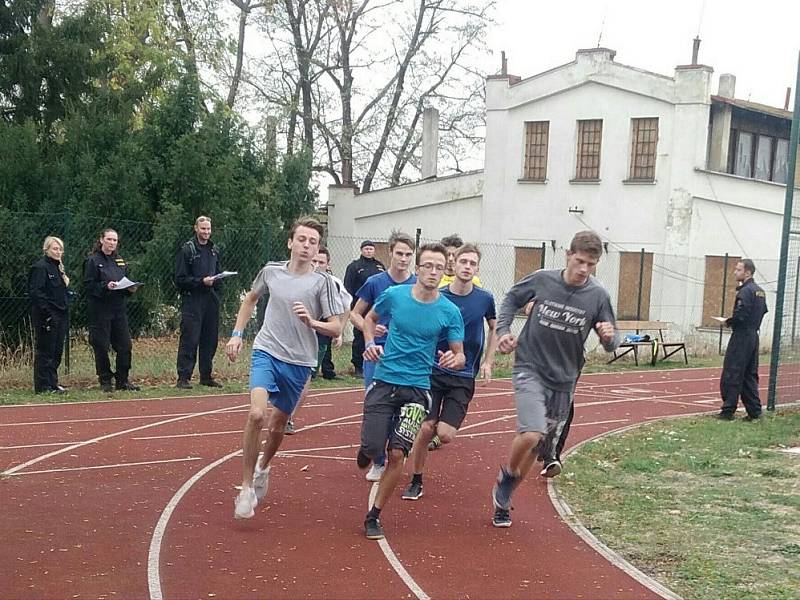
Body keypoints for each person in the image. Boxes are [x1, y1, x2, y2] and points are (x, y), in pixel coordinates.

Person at [490, 231, 619, 528]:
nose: (583, 269)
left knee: (537, 448)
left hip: (564, 379)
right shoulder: (542, 279)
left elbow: (612, 340)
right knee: (532, 433)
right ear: (567, 255)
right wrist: (504, 332)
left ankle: (505, 496)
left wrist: (609, 337)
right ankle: (506, 477)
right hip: (530, 367)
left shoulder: (598, 295)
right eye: (579, 260)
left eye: (590, 263)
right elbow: (510, 299)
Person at [225, 217, 344, 520]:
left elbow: (335, 327)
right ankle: (246, 486)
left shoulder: (324, 283)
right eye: (301, 239)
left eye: (313, 242)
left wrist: (312, 322)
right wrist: (237, 335)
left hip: (300, 361)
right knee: (256, 414)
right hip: (267, 350)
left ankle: (264, 467)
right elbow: (250, 300)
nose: (306, 246)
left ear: (318, 248)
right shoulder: (271, 271)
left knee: (278, 425)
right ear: (291, 242)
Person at [357, 242, 465, 539]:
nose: (432, 272)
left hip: (418, 390)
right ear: (418, 269)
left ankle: (374, 515)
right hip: (385, 380)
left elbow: (460, 353)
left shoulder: (449, 311)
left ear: (445, 272)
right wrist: (370, 344)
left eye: (439, 267)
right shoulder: (394, 295)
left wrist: (454, 359)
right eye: (427, 266)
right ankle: (366, 449)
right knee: (373, 447)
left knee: (396, 455)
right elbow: (369, 318)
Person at [402, 243, 498, 501]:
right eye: (463, 262)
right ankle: (416, 479)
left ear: (477, 268)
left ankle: (420, 431)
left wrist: (488, 361)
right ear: (453, 265)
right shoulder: (440, 296)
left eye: (472, 263)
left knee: (444, 434)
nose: (467, 267)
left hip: (464, 376)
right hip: (433, 372)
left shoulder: (485, 298)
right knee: (425, 428)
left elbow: (494, 328)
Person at [350, 231, 416, 481]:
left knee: (400, 407)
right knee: (375, 404)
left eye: (408, 254)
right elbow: (356, 314)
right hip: (376, 352)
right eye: (399, 253)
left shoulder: (417, 284)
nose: (403, 258)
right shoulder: (376, 282)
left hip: (405, 355)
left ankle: (389, 451)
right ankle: (377, 458)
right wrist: (369, 331)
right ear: (390, 253)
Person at [284, 246, 352, 435]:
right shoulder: (295, 278)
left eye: (321, 262)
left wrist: (339, 331)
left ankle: (289, 417)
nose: (316, 265)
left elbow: (347, 306)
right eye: (314, 261)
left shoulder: (334, 283)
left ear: (328, 264)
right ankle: (283, 407)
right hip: (293, 332)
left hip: (320, 334)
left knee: (306, 375)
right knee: (288, 372)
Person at [83, 228, 140, 393]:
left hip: (118, 310)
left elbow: (124, 281)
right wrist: (105, 286)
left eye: (115, 240)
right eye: (109, 239)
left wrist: (129, 289)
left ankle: (122, 380)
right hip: (100, 310)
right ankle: (105, 380)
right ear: (101, 240)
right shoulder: (92, 261)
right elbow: (88, 286)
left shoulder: (120, 261)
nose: (112, 243)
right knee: (101, 346)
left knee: (125, 346)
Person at [174, 216, 224, 389]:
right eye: (203, 229)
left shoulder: (213, 250)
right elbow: (180, 279)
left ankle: (206, 375)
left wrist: (217, 280)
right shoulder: (187, 249)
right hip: (192, 299)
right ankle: (183, 377)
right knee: (190, 338)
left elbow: (217, 272)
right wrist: (200, 281)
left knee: (210, 339)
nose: (206, 232)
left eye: (209, 229)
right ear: (196, 228)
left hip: (210, 299)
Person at [717, 259, 768, 421]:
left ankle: (728, 410)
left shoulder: (745, 292)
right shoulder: (760, 291)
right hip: (754, 335)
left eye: (738, 270)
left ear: (747, 272)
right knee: (749, 374)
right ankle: (755, 411)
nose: (735, 272)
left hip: (742, 336)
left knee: (733, 371)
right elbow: (763, 311)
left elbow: (741, 315)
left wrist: (728, 322)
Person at [28, 236, 70, 394]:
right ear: (46, 249)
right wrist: (47, 313)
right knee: (45, 350)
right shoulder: (40, 267)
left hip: (61, 314)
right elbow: (37, 293)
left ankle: (53, 383)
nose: (58, 252)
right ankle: (42, 385)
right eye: (55, 249)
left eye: (60, 249)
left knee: (56, 350)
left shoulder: (59, 268)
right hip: (46, 316)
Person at [344, 240, 385, 378]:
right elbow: (348, 287)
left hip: (377, 307)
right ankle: (358, 365)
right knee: (360, 337)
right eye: (366, 249)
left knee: (377, 334)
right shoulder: (354, 266)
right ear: (361, 250)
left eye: (371, 249)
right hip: (360, 306)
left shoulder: (379, 266)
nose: (369, 251)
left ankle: (377, 363)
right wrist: (350, 307)